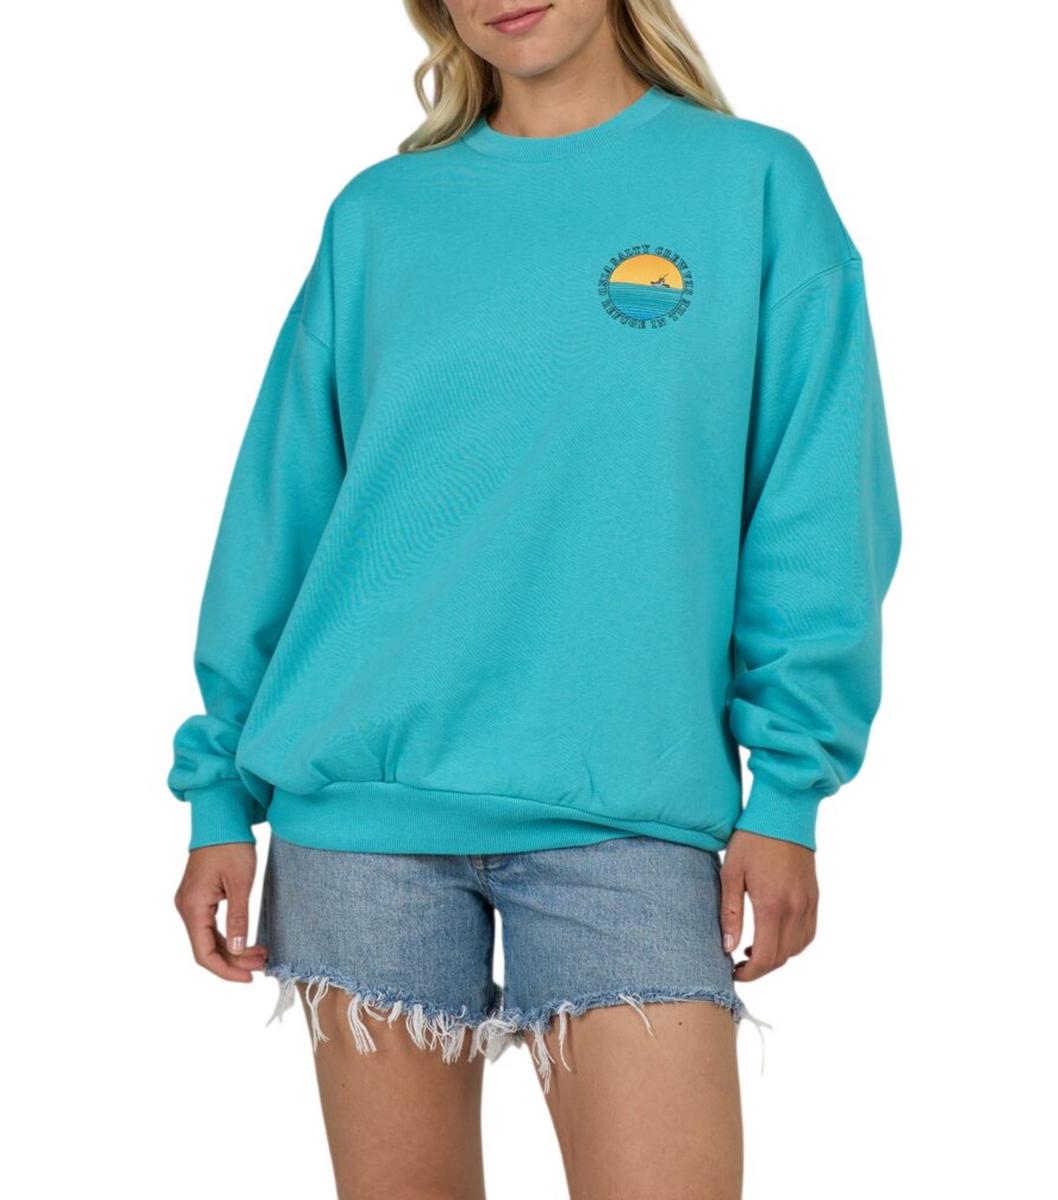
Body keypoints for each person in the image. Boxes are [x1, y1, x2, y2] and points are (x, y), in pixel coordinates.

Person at [167, 1, 902, 1195]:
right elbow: (283, 515)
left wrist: (790, 791)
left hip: (631, 809)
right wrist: (217, 796)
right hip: (361, 815)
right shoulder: (381, 216)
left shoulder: (754, 185)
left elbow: (818, 510)